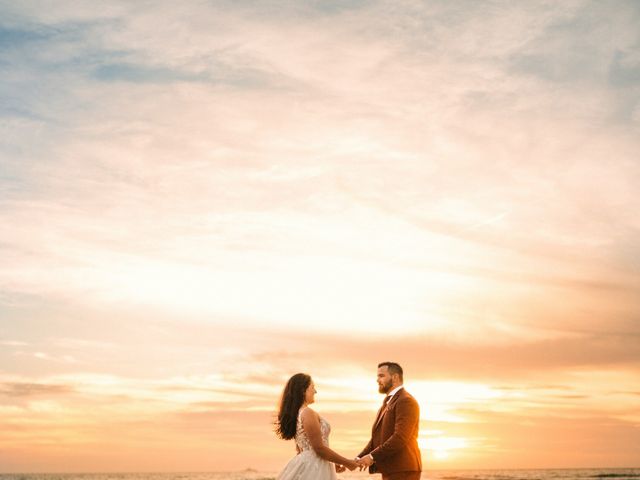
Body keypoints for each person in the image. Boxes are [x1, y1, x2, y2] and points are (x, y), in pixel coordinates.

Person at [275, 373, 358, 480]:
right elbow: (319, 448)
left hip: (309, 464)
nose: (315, 391)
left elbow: (300, 449)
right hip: (314, 467)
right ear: (303, 390)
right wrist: (347, 463)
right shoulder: (307, 412)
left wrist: (333, 461)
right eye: (313, 387)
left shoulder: (297, 414)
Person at [356, 362, 422, 480]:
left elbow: (400, 437)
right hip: (392, 470)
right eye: (377, 376)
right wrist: (356, 460)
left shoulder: (406, 401)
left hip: (403, 470)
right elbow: (376, 440)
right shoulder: (387, 402)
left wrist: (372, 457)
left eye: (381, 376)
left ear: (395, 377)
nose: (377, 380)